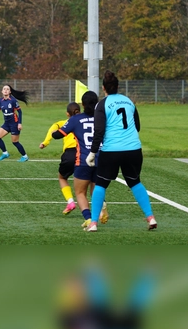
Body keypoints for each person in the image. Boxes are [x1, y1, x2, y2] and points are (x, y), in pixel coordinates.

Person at [85, 70, 157, 233]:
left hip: (111, 150)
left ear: (103, 88)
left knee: (101, 183)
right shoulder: (129, 101)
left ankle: (94, 223)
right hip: (134, 150)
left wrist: (92, 152)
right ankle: (151, 217)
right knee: (134, 182)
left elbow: (99, 131)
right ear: (118, 87)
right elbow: (137, 126)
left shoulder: (102, 104)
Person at [52, 91, 108, 230]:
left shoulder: (76, 119)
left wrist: (55, 131)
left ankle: (89, 220)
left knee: (80, 192)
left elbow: (58, 135)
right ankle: (100, 209)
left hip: (83, 160)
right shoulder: (102, 118)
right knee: (95, 192)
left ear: (82, 104)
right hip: (101, 159)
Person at [39, 102, 81, 215]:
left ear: (67, 114)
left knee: (62, 178)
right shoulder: (85, 121)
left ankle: (71, 202)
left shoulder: (64, 123)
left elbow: (53, 129)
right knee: (88, 182)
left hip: (69, 155)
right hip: (83, 154)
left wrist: (45, 142)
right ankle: (101, 207)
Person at [0, 85, 29, 162]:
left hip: (14, 123)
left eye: (7, 89)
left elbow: (20, 112)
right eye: (4, 89)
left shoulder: (13, 100)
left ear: (10, 92)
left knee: (15, 142)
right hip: (6, 123)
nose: (5, 90)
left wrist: (19, 123)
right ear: (2, 91)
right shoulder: (0, 101)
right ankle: (5, 153)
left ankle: (25, 156)